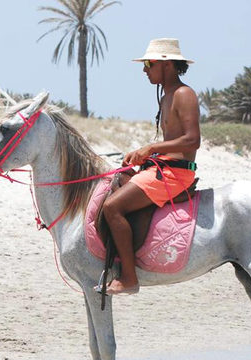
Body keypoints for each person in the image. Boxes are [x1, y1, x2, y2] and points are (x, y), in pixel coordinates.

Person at [101, 38, 201, 296]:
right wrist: (143, 154)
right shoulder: (166, 96)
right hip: (164, 168)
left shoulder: (183, 94)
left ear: (166, 65)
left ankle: (130, 278)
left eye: (148, 63)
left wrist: (151, 148)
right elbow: (172, 142)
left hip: (177, 174)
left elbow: (193, 140)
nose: (144, 70)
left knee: (112, 207)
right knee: (116, 177)